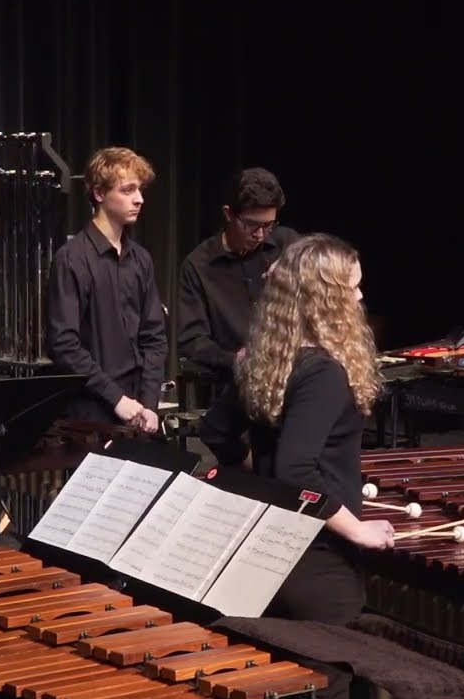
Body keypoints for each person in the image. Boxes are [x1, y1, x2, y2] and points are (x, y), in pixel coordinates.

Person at [199, 233, 395, 626]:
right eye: (352, 288)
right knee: (332, 683)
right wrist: (355, 529)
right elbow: (297, 470)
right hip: (318, 559)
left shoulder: (262, 359)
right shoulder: (323, 372)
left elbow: (216, 431)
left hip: (266, 552)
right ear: (326, 300)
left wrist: (259, 473)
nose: (359, 298)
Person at [45, 147, 168, 432]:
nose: (139, 199)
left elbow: (154, 337)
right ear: (99, 194)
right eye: (127, 190)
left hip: (139, 408)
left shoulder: (141, 259)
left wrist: (149, 403)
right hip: (92, 411)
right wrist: (117, 399)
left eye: (139, 190)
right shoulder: (72, 258)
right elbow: (63, 344)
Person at [177, 167, 299, 381]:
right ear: (228, 214)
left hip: (293, 376)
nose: (260, 235)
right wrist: (235, 360)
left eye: (268, 225)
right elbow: (192, 340)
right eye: (251, 224)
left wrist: (297, 271)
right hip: (234, 385)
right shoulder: (198, 265)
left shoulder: (288, 244)